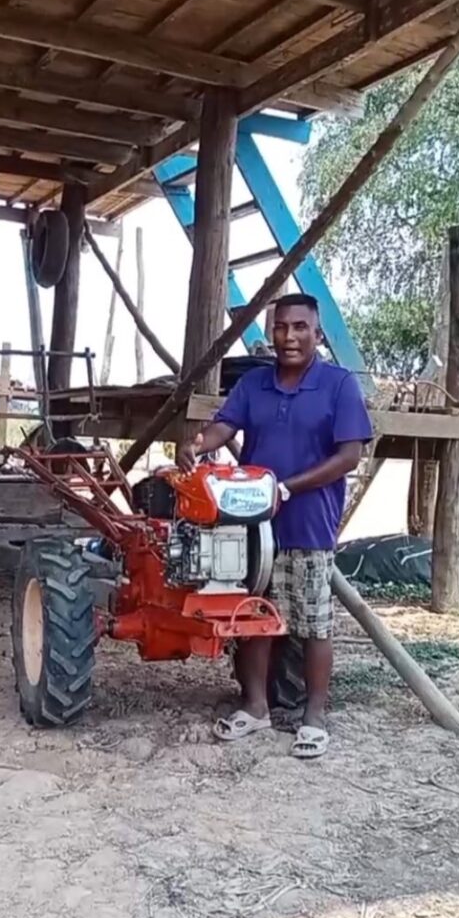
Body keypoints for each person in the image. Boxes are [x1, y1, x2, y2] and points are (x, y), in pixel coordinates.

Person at [178, 293, 372, 758]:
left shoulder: (338, 385)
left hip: (307, 523)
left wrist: (287, 488)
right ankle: (255, 706)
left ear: (317, 334)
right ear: (271, 333)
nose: (289, 337)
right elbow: (226, 425)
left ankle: (314, 717)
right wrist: (198, 442)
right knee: (251, 617)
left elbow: (349, 455)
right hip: (249, 526)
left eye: (300, 327)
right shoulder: (255, 385)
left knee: (313, 623)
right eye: (281, 327)